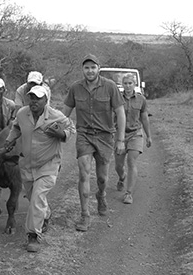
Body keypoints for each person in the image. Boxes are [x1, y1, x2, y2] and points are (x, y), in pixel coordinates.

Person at [5, 85, 75, 252]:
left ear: (46, 100)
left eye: (38, 98)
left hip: (48, 164)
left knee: (37, 197)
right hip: (28, 165)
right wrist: (10, 140)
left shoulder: (55, 115)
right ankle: (46, 214)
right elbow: (16, 127)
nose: (34, 101)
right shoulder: (22, 113)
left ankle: (33, 236)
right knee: (33, 198)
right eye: (31, 97)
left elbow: (71, 128)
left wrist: (61, 134)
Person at [62, 54, 126, 232]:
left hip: (105, 136)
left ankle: (101, 194)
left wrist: (120, 140)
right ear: (83, 70)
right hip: (84, 135)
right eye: (86, 68)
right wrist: (52, 128)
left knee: (102, 178)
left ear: (99, 68)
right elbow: (64, 113)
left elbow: (120, 113)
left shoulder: (110, 87)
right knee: (84, 173)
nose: (90, 71)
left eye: (93, 67)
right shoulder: (76, 88)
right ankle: (85, 215)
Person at [114, 73, 152, 204]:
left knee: (131, 161)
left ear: (134, 84)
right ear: (122, 85)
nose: (128, 86)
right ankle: (121, 177)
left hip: (135, 133)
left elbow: (144, 118)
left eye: (130, 83)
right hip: (119, 135)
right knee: (119, 165)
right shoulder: (117, 98)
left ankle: (128, 193)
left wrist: (148, 136)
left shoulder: (141, 99)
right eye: (125, 83)